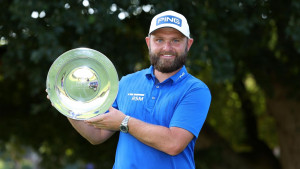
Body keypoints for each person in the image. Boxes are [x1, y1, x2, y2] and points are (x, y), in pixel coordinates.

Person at [65, 10, 211, 169]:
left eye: (175, 40)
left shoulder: (195, 90)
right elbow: (97, 135)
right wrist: (68, 105)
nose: (167, 48)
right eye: (159, 40)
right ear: (149, 42)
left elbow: (173, 143)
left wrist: (124, 122)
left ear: (188, 44)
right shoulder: (127, 82)